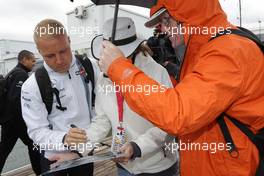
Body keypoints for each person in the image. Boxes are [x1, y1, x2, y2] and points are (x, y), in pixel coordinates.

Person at [98, 0, 264, 176]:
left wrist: (119, 68)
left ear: (188, 18)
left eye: (166, 21)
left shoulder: (228, 50)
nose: (162, 30)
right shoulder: (204, 50)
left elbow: (178, 114)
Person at [51, 17, 179, 176]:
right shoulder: (104, 77)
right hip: (124, 166)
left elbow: (168, 123)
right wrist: (77, 153)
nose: (107, 61)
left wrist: (137, 147)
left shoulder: (157, 73)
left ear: (134, 50)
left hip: (157, 166)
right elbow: (102, 121)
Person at [21, 19, 99, 176]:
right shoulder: (32, 85)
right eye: (49, 56)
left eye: (63, 50)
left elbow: (100, 109)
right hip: (54, 157)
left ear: (69, 40)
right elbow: (36, 131)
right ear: (39, 51)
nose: (59, 60)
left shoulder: (90, 66)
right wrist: (63, 139)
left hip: (84, 151)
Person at [0, 50, 42, 175]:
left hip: (7, 119)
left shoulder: (12, 73)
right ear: (24, 60)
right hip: (16, 120)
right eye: (32, 60)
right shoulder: (20, 74)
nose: (34, 63)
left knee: (4, 149)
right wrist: (28, 118)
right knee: (34, 144)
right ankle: (40, 172)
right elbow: (16, 99)